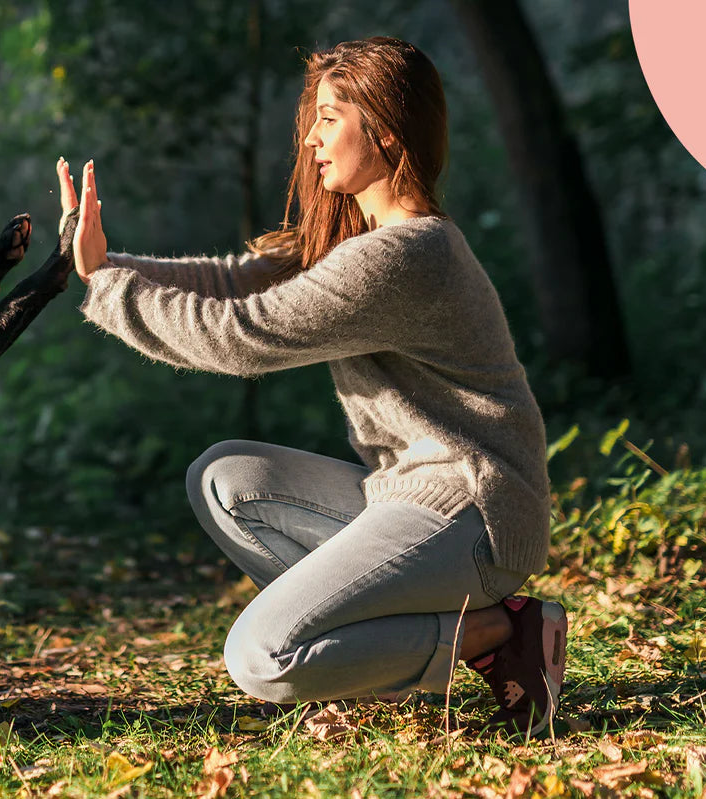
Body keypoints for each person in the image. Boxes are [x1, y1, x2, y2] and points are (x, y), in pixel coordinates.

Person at [56, 36, 566, 736]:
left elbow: (239, 334)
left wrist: (110, 288)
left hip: (475, 516)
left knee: (262, 655)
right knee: (225, 478)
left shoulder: (405, 256)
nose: (310, 138)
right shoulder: (368, 241)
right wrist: (106, 264)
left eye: (329, 117)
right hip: (414, 497)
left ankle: (492, 633)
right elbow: (237, 281)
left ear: (386, 129)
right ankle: (362, 657)